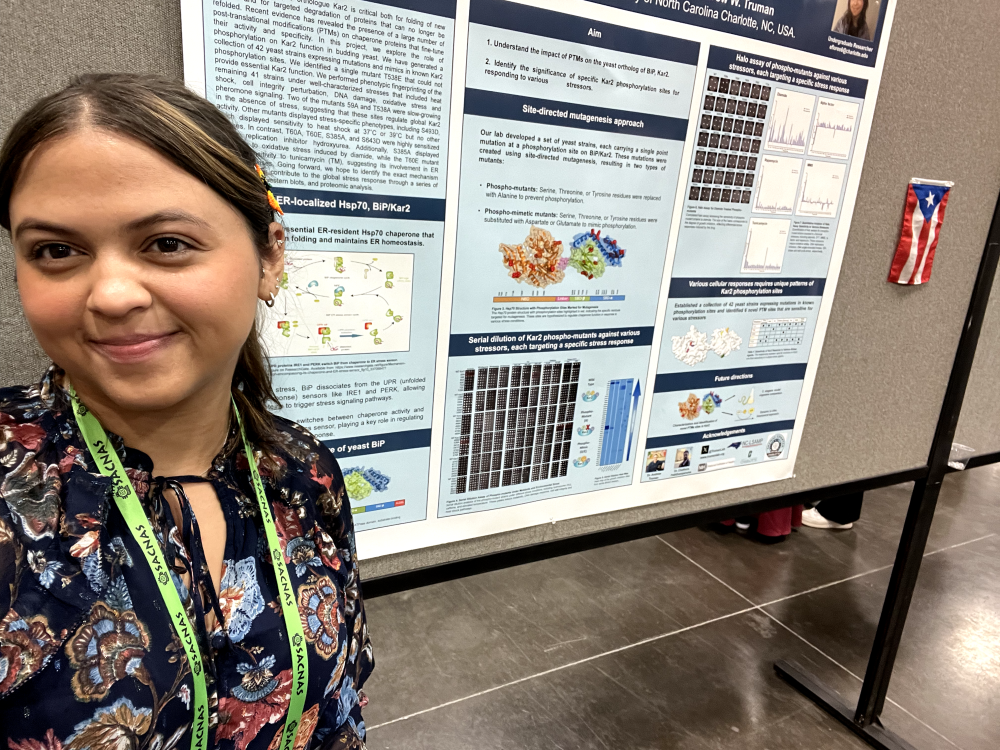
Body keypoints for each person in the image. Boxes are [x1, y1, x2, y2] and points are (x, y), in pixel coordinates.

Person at [0, 74, 372, 749]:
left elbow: (340, 708)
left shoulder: (304, 471)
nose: (112, 295)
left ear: (269, 257)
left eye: (167, 243)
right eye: (56, 251)